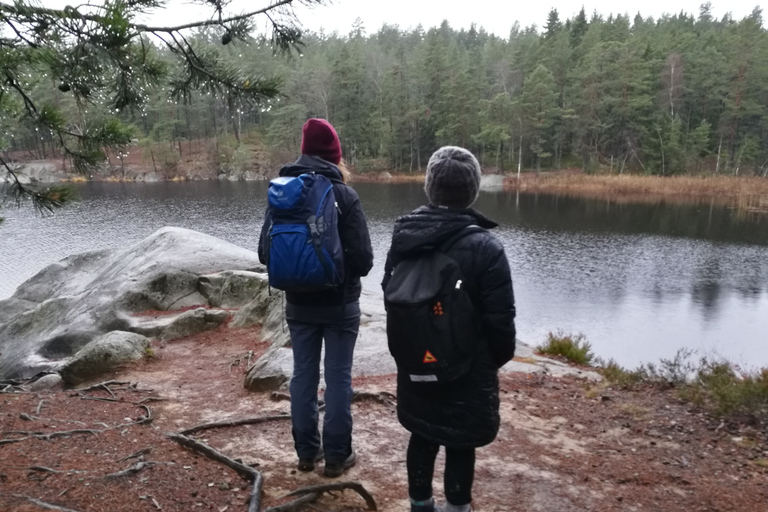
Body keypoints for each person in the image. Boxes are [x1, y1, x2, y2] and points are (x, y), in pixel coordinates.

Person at [382, 146, 516, 512]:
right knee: (460, 443)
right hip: (467, 370)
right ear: (472, 190)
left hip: (415, 363)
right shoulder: (487, 248)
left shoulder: (404, 235)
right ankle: (458, 508)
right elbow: (501, 324)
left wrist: (416, 345)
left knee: (422, 436)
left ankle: (420, 506)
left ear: (430, 187)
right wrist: (485, 362)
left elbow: (389, 295)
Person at [258, 118, 374, 478]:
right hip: (340, 306)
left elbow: (265, 253)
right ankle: (337, 458)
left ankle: (307, 454)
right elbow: (365, 262)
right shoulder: (344, 195)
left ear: (304, 150)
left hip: (298, 306)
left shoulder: (283, 192)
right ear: (335, 155)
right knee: (338, 379)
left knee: (303, 376)